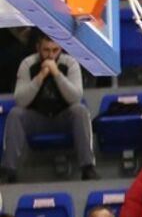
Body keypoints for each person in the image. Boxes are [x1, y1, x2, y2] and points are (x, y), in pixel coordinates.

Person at [0, 31, 96, 183]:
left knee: (80, 110)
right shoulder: (28, 64)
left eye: (55, 50)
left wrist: (57, 74)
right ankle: (8, 171)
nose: (50, 55)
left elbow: (76, 97)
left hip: (63, 116)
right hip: (37, 117)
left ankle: (88, 168)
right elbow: (20, 100)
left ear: (61, 48)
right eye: (46, 50)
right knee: (15, 114)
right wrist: (40, 77)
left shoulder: (70, 63)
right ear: (38, 48)